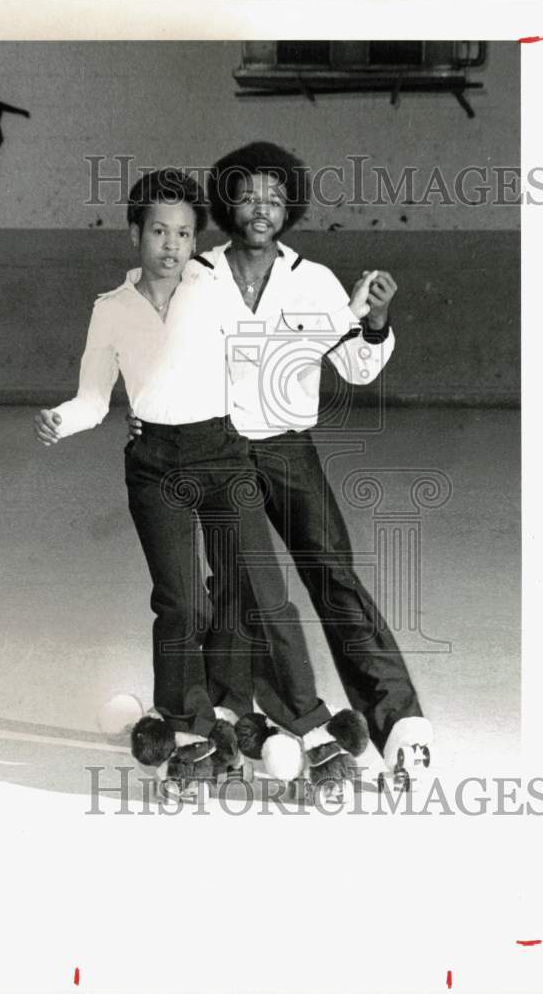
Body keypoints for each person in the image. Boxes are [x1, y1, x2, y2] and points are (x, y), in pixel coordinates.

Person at [34, 169, 367, 800]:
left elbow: (270, 348)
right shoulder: (110, 310)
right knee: (182, 602)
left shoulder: (211, 291)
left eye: (184, 232)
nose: (171, 244)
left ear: (194, 239)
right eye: (159, 230)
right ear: (136, 233)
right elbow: (92, 399)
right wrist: (60, 420)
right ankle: (191, 732)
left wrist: (346, 318)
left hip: (222, 452)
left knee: (265, 592)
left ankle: (311, 726)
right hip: (155, 463)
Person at [131, 143, 433, 784]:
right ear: (226, 204)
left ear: (289, 205)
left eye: (274, 197)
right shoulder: (196, 273)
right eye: (246, 195)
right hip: (215, 448)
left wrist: (375, 321)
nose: (260, 208)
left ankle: (398, 721)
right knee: (239, 590)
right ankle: (230, 723)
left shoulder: (314, 280)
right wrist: (143, 409)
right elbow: (151, 346)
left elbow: (354, 363)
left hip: (288, 448)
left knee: (333, 574)